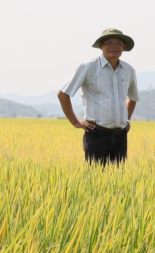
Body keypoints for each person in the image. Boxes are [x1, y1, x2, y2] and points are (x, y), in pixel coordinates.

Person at [58, 28, 140, 165]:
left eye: (118, 43)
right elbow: (63, 93)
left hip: (121, 136)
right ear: (101, 45)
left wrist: (126, 119)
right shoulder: (88, 67)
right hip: (97, 135)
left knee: (119, 180)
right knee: (96, 179)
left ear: (123, 47)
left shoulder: (129, 70)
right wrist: (75, 122)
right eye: (109, 42)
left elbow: (132, 97)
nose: (114, 46)